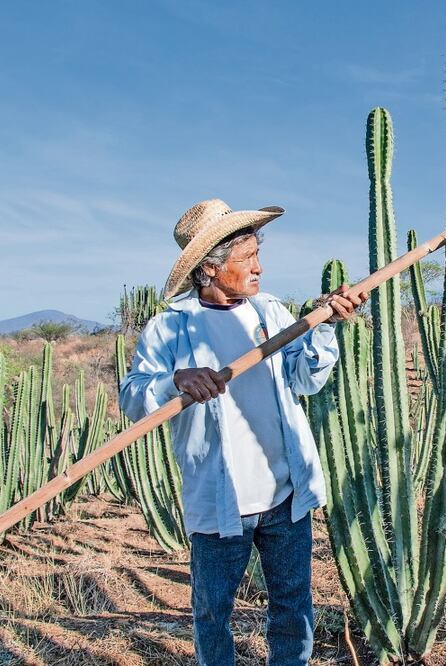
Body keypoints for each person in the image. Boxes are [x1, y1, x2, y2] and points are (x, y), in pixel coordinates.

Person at [119, 199, 365, 665]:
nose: (259, 267)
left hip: (284, 494)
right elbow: (132, 396)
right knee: (213, 612)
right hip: (220, 502)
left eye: (257, 254)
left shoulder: (270, 311)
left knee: (293, 608)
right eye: (247, 258)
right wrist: (176, 380)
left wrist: (325, 328)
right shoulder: (169, 328)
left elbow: (305, 379)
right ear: (208, 269)